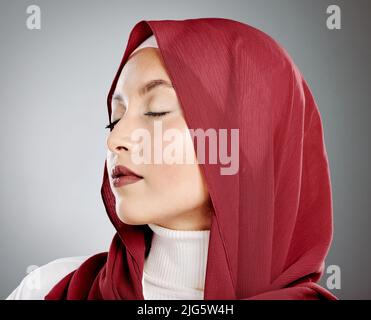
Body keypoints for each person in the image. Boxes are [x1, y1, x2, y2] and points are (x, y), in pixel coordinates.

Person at [7, 18, 338, 300]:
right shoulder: (47, 288)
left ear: (248, 140)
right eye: (115, 118)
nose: (114, 139)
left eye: (156, 110)